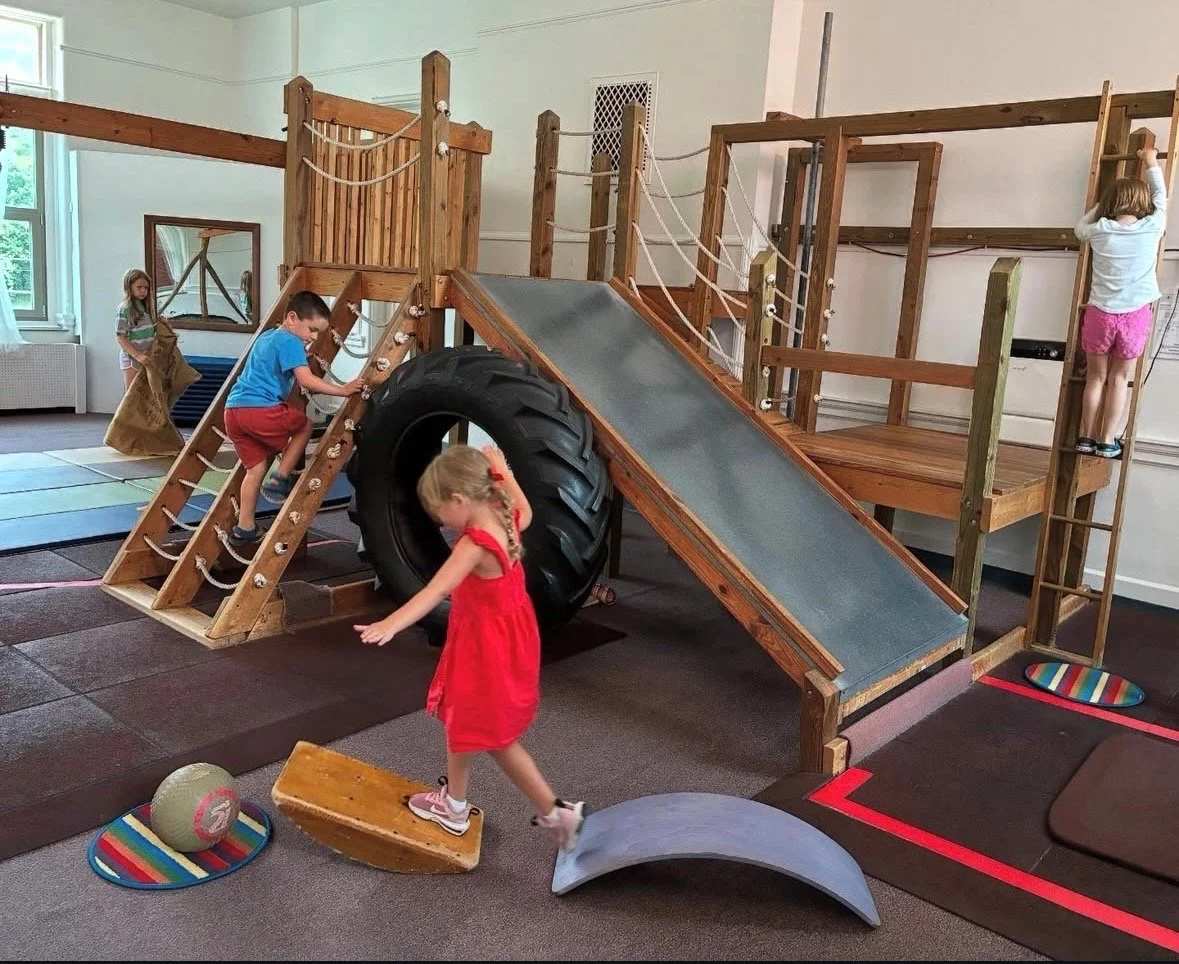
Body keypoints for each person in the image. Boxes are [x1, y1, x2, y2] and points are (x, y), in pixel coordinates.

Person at [354, 444, 586, 852]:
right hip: (504, 638)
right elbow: (526, 509)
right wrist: (504, 471)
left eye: (440, 512)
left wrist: (390, 624)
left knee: (495, 739)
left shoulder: (474, 544)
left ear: (459, 500)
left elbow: (435, 591)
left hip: (487, 649)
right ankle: (455, 803)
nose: (441, 522)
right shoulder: (505, 515)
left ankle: (556, 813)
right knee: (459, 718)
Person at [223, 290, 364, 545]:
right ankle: (280, 477)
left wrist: (302, 356)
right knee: (304, 425)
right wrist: (342, 390)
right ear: (291, 318)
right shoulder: (290, 342)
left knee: (254, 470)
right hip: (259, 410)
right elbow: (306, 380)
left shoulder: (268, 338)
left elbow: (274, 363)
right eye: (311, 330)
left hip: (233, 413)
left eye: (317, 333)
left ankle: (245, 527)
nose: (312, 338)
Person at [1074, 146, 1168, 459]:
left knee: (1095, 378)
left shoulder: (1099, 230)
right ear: (1143, 204)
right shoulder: (1152, 227)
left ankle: (1084, 438)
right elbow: (1162, 201)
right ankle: (1107, 440)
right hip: (1134, 315)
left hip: (1100, 313)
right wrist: (1151, 163)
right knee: (1119, 379)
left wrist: (1101, 205)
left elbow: (1079, 228)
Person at [115, 268, 157, 393]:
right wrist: (137, 355)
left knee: (146, 395)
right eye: (139, 287)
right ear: (129, 287)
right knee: (132, 396)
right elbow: (120, 337)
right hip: (132, 358)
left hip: (146, 356)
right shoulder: (124, 309)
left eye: (146, 287)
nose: (143, 290)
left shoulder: (145, 306)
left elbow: (146, 329)